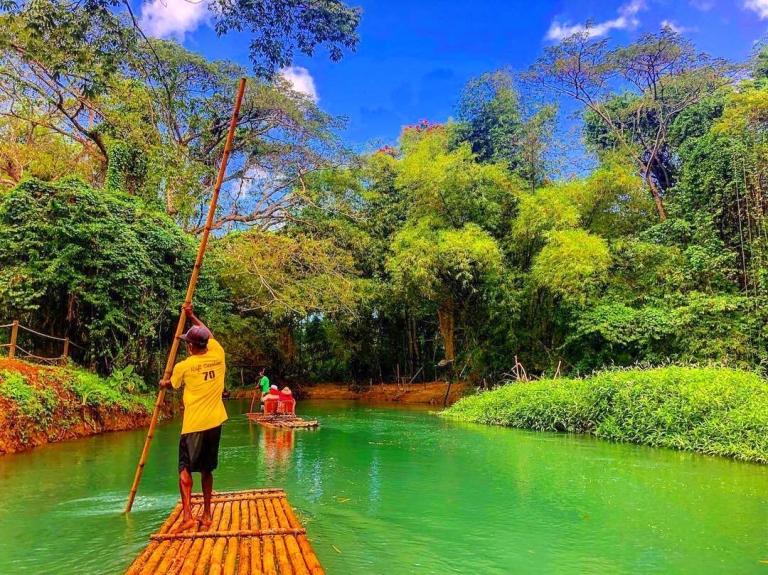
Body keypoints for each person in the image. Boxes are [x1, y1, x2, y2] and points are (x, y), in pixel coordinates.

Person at [161, 303, 227, 533]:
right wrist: (192, 316)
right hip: (215, 422)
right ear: (206, 344)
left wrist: (164, 383)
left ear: (189, 346)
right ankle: (207, 515)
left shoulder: (184, 366)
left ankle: (188, 517)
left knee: (184, 469)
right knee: (207, 470)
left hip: (193, 426)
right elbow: (208, 333)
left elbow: (174, 385)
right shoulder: (218, 355)